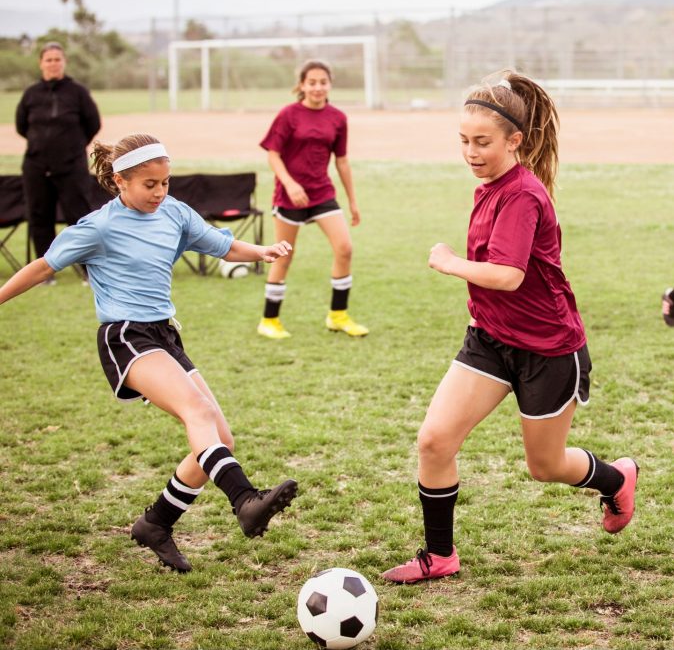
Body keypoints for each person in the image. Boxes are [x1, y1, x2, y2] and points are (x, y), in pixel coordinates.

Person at [382, 71, 639, 584]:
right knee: (434, 441)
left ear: (514, 140)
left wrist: (449, 261)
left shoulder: (522, 194)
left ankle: (616, 478)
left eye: (482, 142)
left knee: (545, 466)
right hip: (490, 341)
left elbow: (508, 274)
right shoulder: (490, 186)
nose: (471, 152)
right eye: (463, 141)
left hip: (548, 349)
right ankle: (440, 555)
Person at [0, 133, 298, 573]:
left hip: (165, 335)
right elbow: (44, 265)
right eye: (149, 185)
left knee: (219, 438)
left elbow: (220, 244)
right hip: (124, 336)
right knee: (197, 412)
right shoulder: (99, 226)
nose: (160, 192)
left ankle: (156, 523)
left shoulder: (173, 212)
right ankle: (245, 500)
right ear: (120, 181)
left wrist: (263, 251)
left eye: (165, 182)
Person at [257, 59, 368, 340]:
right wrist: (290, 183)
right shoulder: (288, 115)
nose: (318, 87)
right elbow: (273, 154)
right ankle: (269, 320)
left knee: (344, 248)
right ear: (302, 85)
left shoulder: (338, 118)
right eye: (312, 82)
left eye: (323, 82)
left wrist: (352, 201)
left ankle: (338, 316)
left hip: (322, 194)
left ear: (329, 84)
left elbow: (342, 161)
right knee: (283, 256)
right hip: (289, 196)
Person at [15, 41, 101, 280]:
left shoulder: (78, 92)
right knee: (39, 216)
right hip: (36, 166)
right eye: (48, 59)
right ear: (41, 63)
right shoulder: (31, 94)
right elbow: (22, 125)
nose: (53, 64)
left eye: (57, 59)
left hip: (71, 166)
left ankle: (88, 271)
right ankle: (44, 274)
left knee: (79, 218)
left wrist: (70, 146)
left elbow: (93, 123)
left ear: (64, 62)